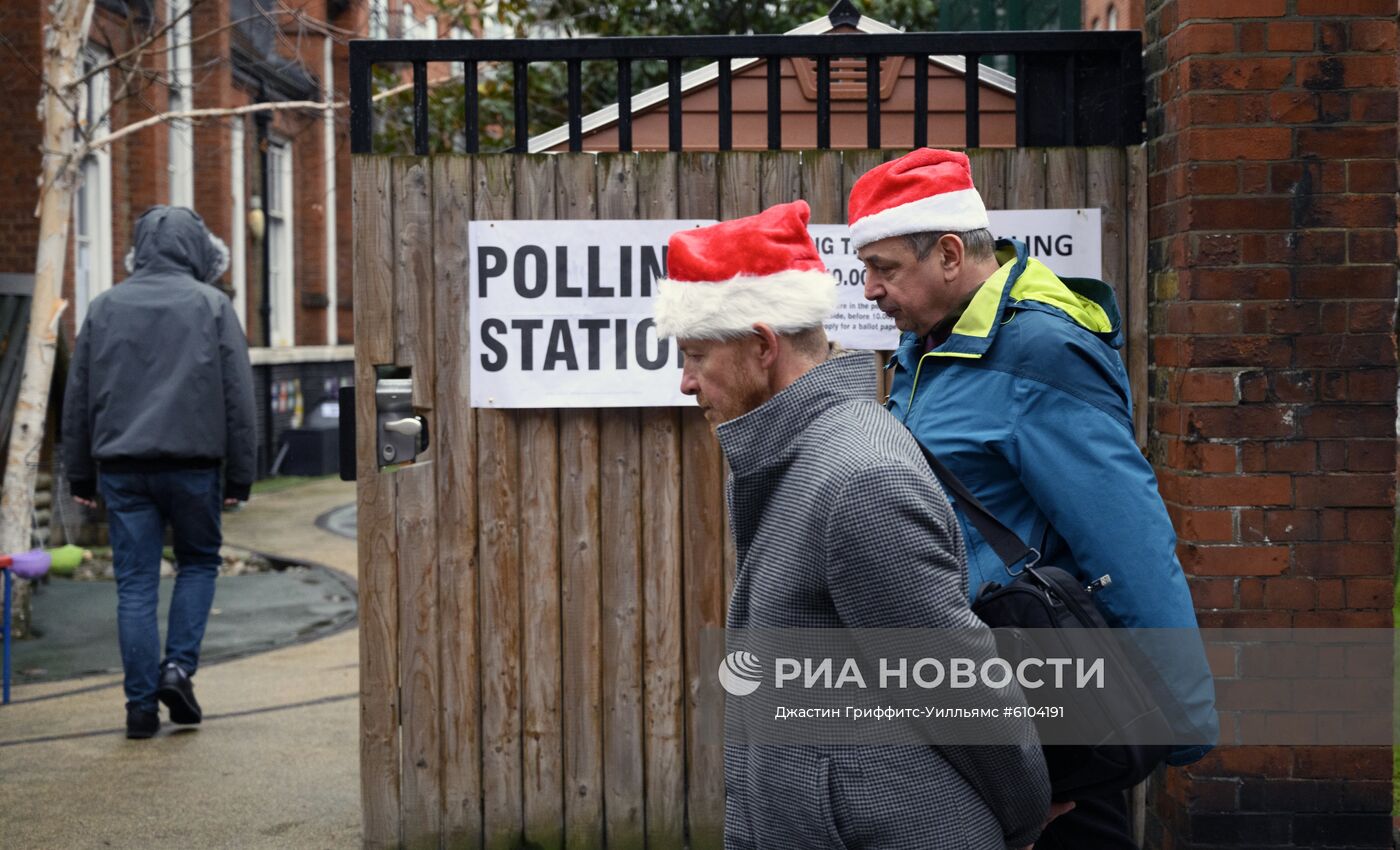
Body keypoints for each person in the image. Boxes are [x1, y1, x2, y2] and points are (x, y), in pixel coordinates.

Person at [655, 200, 1062, 850]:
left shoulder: (857, 478)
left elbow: (957, 681)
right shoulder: (797, 455)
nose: (684, 382)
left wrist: (1022, 816)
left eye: (698, 355)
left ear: (763, 346)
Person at [847, 148, 1217, 849]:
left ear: (950, 253)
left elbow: (1127, 535)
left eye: (884, 268)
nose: (869, 289)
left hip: (1046, 703)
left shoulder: (1037, 350)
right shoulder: (930, 347)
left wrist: (1180, 716)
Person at [62, 205, 256, 740]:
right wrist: (241, 475)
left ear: (140, 248)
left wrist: (79, 475)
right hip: (194, 467)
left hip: (122, 471)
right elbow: (239, 397)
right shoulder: (213, 306)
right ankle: (178, 668)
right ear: (196, 249)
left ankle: (140, 708)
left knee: (135, 585)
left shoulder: (103, 308)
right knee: (197, 564)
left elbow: (77, 397)